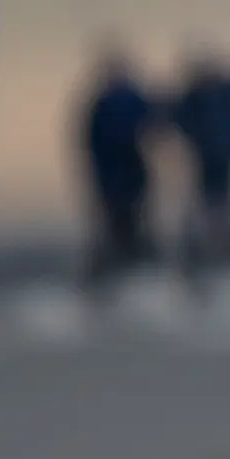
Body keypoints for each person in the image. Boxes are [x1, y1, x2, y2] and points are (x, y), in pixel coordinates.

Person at [78, 46, 161, 285]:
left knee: (136, 216)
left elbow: (153, 128)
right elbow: (91, 142)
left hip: (132, 171)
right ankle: (118, 263)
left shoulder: (134, 99)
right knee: (115, 220)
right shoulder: (102, 105)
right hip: (112, 174)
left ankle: (135, 262)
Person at [175, 52, 230, 286]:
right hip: (204, 157)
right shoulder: (194, 97)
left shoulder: (222, 93)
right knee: (207, 201)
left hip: (220, 156)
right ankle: (211, 245)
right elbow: (181, 119)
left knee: (217, 200)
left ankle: (220, 244)